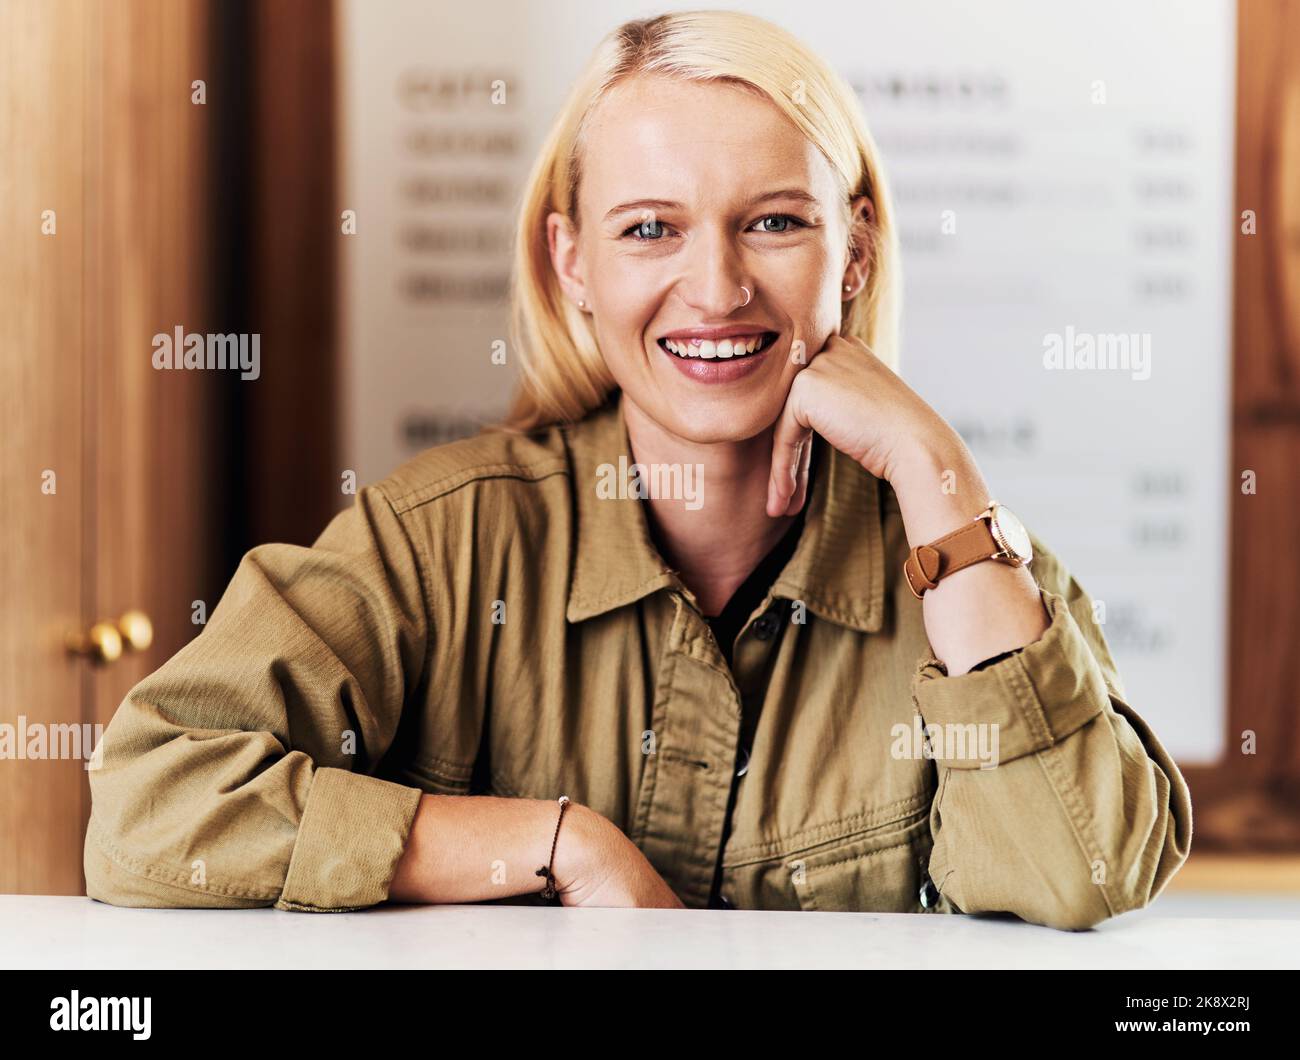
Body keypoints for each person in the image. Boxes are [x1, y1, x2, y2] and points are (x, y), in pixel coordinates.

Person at [85, 10, 1191, 929]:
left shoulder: (962, 564)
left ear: (853, 251)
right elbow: (147, 805)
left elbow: (1074, 869)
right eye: (650, 229)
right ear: (571, 260)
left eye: (772, 222)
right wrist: (552, 842)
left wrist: (932, 460)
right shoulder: (434, 542)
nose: (714, 290)